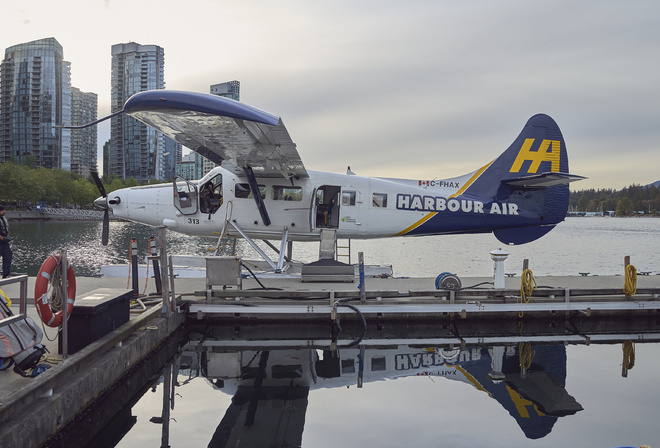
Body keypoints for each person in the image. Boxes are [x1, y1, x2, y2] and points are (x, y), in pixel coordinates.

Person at [0, 206, 12, 278]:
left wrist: (7, 238)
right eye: (2, 210)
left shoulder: (3, 219)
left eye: (4, 210)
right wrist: (2, 238)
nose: (4, 211)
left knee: (8, 257)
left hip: (5, 243)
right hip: (1, 241)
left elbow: (6, 230)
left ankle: (6, 275)